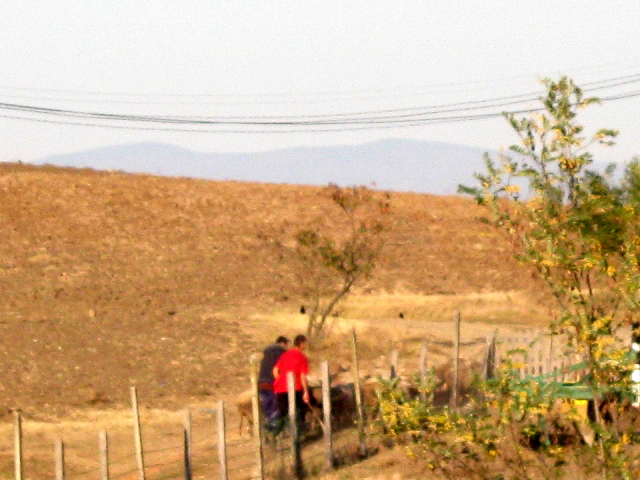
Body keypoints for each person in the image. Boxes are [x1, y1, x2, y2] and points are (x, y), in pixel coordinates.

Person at [272, 334, 311, 430]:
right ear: (301, 344)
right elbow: (302, 377)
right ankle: (299, 430)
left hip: (280, 389)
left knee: (283, 412)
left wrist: (280, 381)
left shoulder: (285, 354)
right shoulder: (302, 357)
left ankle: (274, 430)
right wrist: (305, 392)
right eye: (305, 343)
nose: (306, 345)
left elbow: (275, 370)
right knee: (300, 410)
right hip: (295, 388)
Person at [258, 336, 289, 424]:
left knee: (266, 406)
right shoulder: (281, 352)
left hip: (261, 382)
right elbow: (280, 369)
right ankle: (273, 427)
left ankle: (267, 428)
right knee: (276, 407)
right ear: (283, 343)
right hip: (272, 383)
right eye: (286, 344)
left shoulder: (266, 353)